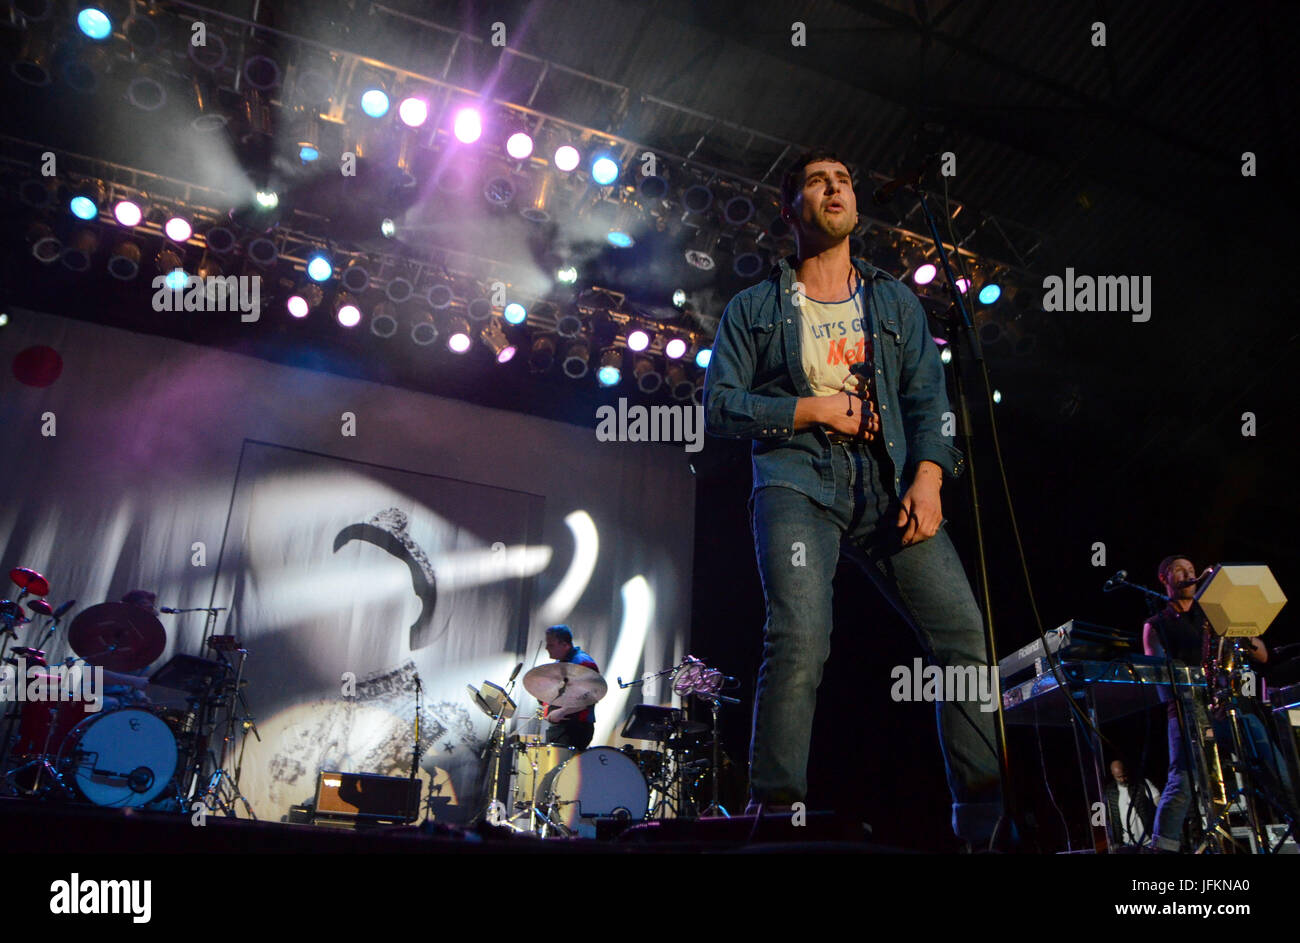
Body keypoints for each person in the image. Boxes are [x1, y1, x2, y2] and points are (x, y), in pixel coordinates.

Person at [703, 148, 1002, 848]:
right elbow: (720, 406)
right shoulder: (756, 307)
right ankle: (777, 817)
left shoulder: (893, 299)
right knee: (801, 636)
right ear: (791, 207)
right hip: (797, 481)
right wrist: (813, 410)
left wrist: (930, 476)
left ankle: (983, 829)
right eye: (817, 181)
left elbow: (930, 401)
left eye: (843, 180)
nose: (834, 187)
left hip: (890, 483)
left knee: (964, 637)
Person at [1143, 555, 1293, 851]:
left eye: (1192, 570)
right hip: (1188, 710)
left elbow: (1262, 656)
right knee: (1182, 783)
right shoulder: (1156, 623)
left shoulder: (1214, 613)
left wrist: (1242, 626)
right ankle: (1164, 848)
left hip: (1232, 704)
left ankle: (1295, 829)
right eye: (1179, 570)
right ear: (1165, 578)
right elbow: (1158, 678)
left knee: (1276, 768)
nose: (1188, 574)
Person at [542, 625, 599, 750]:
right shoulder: (559, 663)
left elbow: (589, 697)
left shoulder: (583, 663)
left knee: (567, 768)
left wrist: (562, 711)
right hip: (560, 727)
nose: (546, 648)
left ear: (565, 645)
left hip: (575, 728)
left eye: (551, 645)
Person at [1104, 759, 1160, 849]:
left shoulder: (1141, 783)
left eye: (1124, 775)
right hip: (1126, 844)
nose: (1122, 779)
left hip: (1149, 841)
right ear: (1112, 774)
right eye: (1119, 777)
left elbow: (1157, 799)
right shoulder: (1109, 792)